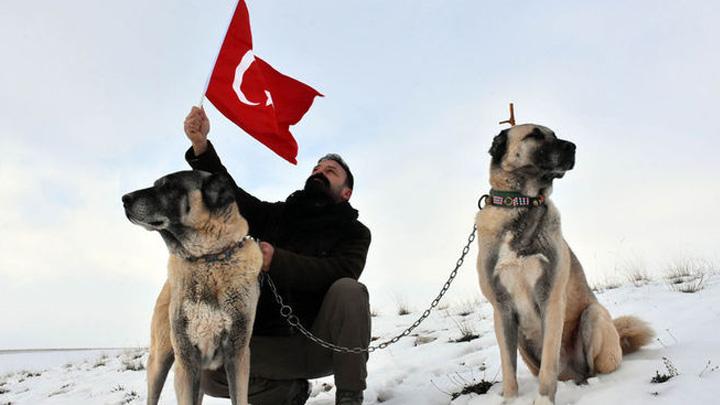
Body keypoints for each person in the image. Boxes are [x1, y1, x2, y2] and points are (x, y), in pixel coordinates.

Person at [183, 106, 372, 405]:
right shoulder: (277, 215)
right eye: (317, 169)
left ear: (346, 192)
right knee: (211, 372)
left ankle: (349, 397)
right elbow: (231, 196)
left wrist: (277, 261)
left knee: (349, 290)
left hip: (322, 345)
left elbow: (338, 271)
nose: (320, 173)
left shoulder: (355, 232)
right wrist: (201, 148)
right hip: (273, 345)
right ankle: (288, 392)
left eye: (330, 171)